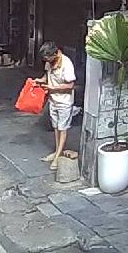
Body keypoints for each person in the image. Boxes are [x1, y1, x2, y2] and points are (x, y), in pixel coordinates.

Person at [33, 41, 77, 170]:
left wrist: (54, 88)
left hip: (64, 101)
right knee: (56, 127)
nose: (46, 61)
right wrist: (40, 81)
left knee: (62, 128)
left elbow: (70, 85)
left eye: (47, 58)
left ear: (55, 54)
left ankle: (57, 157)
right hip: (53, 100)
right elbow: (47, 75)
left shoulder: (66, 64)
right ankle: (57, 151)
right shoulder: (49, 62)